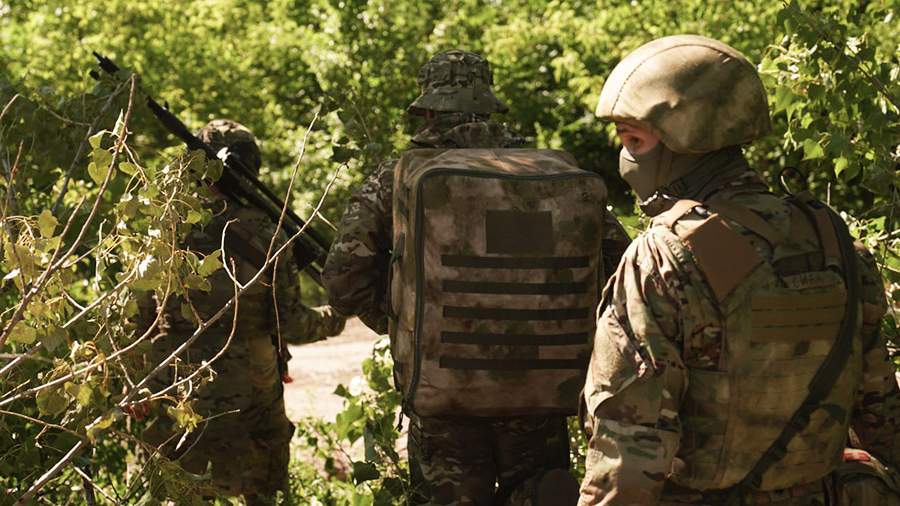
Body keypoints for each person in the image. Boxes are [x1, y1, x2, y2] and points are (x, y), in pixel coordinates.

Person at [579, 35, 900, 505]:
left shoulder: (664, 257)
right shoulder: (831, 241)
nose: (626, 159)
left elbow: (628, 458)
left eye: (634, 140)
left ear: (686, 141)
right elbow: (882, 414)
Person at [323, 50, 631, 505]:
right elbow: (620, 264)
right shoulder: (545, 174)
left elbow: (342, 280)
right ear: (489, 104)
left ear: (427, 109)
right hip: (538, 390)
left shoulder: (398, 175)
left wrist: (408, 321)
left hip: (444, 397)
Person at [140, 119, 345, 505]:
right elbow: (292, 325)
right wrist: (337, 315)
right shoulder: (268, 233)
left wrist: (140, 387)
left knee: (180, 492)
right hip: (251, 390)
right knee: (262, 492)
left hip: (177, 385)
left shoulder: (163, 229)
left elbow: (139, 323)